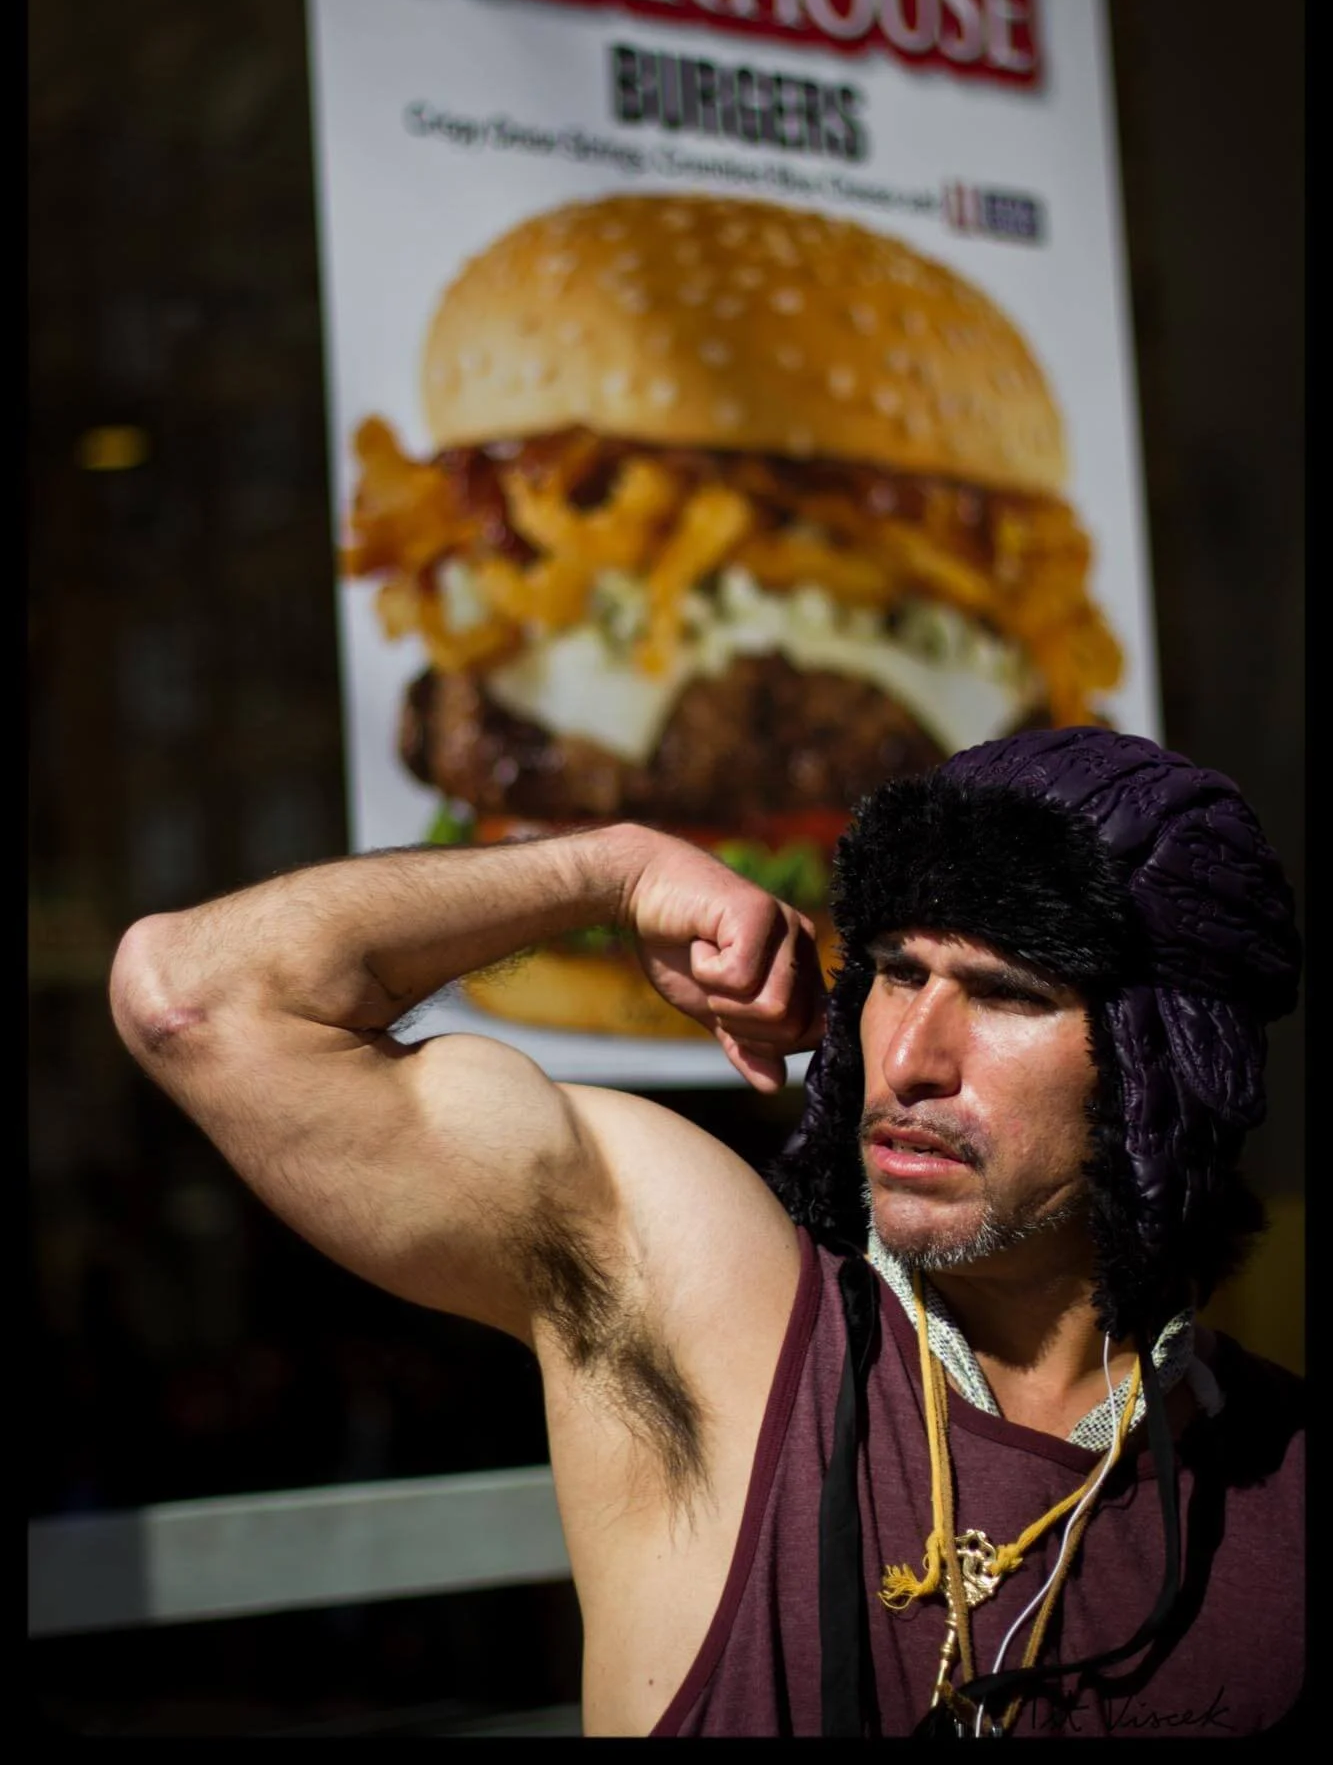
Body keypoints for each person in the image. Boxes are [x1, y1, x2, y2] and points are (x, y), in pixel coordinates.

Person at [108, 727, 1304, 1737]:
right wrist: (615, 869)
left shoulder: (1279, 1487)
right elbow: (194, 998)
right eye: (895, 971)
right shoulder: (715, 1319)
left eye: (1006, 993)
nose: (911, 1058)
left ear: (1166, 1065)